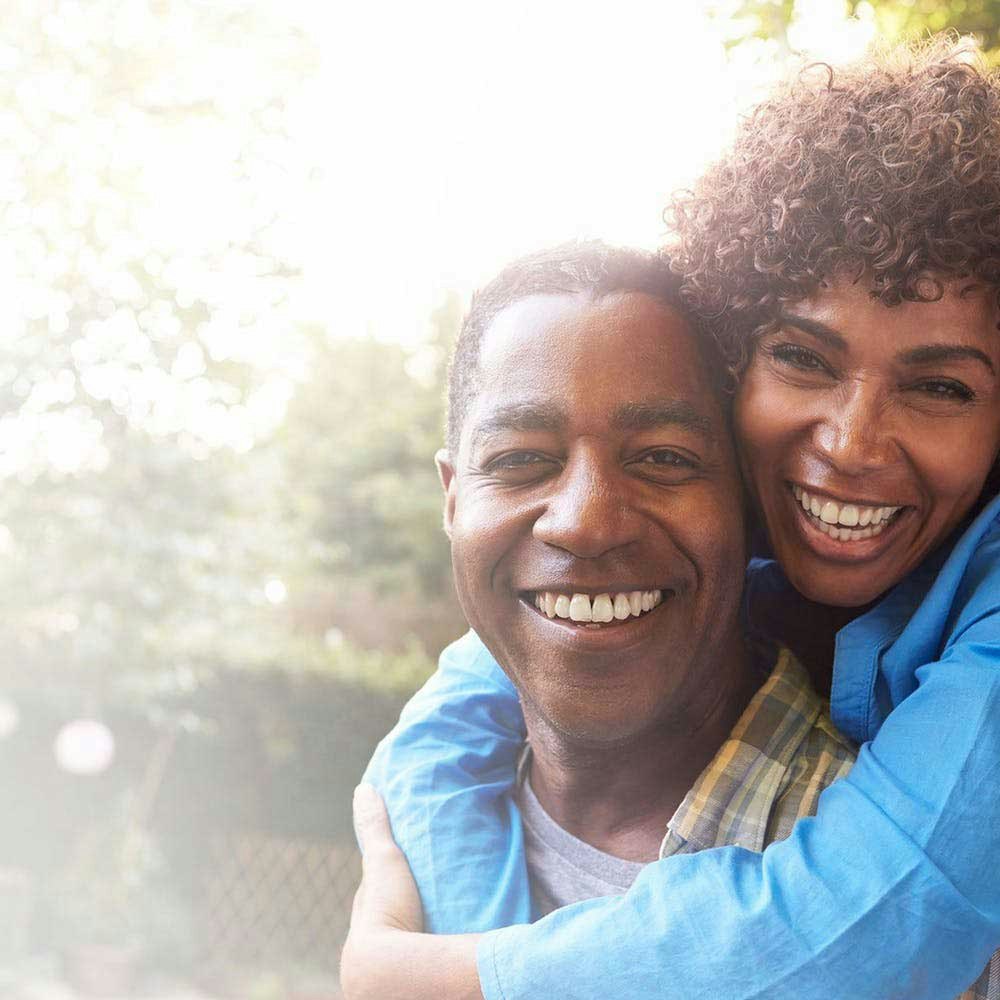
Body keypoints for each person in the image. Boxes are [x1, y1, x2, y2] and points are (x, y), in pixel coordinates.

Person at [348, 39, 1000, 1000]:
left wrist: (428, 981)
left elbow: (883, 909)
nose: (855, 443)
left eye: (940, 384)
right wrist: (413, 830)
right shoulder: (749, 529)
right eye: (803, 358)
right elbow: (468, 695)